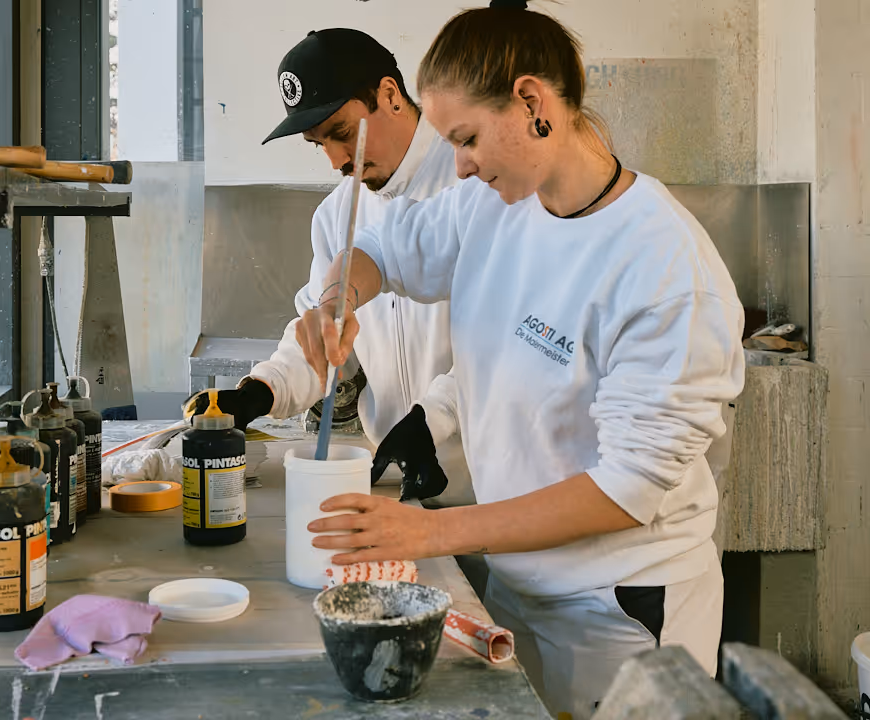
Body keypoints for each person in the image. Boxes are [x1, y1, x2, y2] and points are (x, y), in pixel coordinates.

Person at [294, 2, 746, 717]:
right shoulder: (496, 207)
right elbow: (379, 249)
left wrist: (432, 532)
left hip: (619, 612)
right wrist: (336, 300)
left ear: (534, 103)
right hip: (517, 590)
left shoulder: (663, 268)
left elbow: (625, 489)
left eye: (467, 139)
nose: (462, 166)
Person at [187, 29, 475, 511]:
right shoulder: (338, 214)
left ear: (389, 95)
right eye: (318, 143)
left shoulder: (475, 178)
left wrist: (435, 418)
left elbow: (508, 345)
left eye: (341, 133)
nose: (336, 161)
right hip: (394, 483)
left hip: (483, 478)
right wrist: (262, 390)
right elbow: (324, 337)